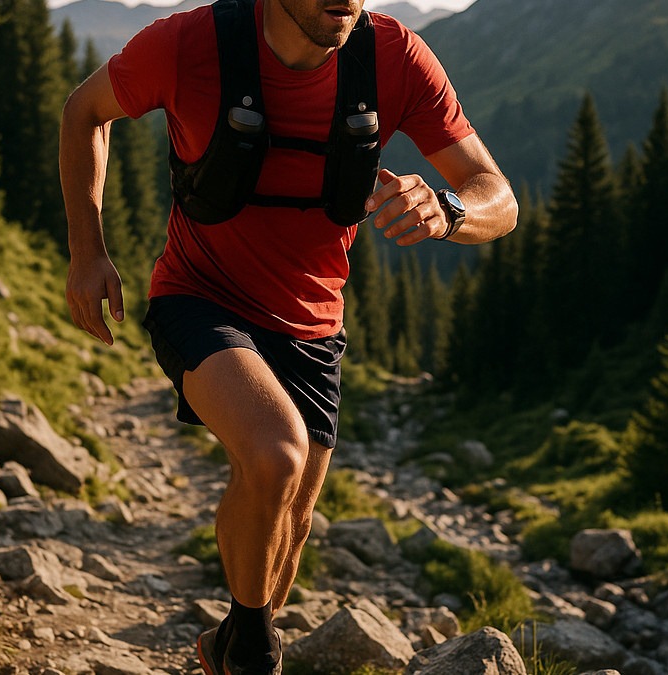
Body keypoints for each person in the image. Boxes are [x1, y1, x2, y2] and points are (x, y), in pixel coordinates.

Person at [60, 0, 517, 671]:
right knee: (276, 453)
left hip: (313, 326)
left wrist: (448, 207)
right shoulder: (191, 45)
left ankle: (229, 644)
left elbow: (497, 196)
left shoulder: (394, 58)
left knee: (291, 524)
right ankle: (254, 654)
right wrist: (87, 250)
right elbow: (83, 111)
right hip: (199, 295)